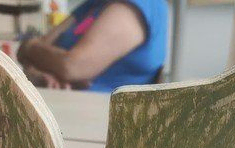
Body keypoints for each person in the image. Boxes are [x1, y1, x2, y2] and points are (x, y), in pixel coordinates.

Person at [17, 0, 168, 92]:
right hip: (57, 104)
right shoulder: (95, 4)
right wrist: (37, 72)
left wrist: (30, 47)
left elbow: (72, 66)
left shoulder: (140, 4)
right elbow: (31, 50)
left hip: (95, 122)